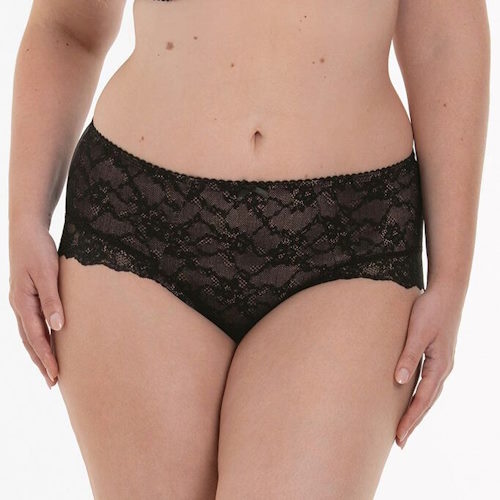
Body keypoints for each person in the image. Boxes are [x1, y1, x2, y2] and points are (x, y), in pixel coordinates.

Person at [8, 0, 490, 498]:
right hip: (137, 226)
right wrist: (25, 217)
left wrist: (451, 278)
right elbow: (69, 27)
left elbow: (444, 39)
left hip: (352, 237)